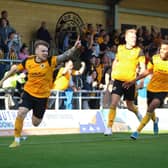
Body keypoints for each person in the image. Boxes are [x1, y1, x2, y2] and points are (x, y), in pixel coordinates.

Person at [0, 37, 81, 148]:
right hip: (28, 93)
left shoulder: (50, 61)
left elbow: (65, 56)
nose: (45, 53)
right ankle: (16, 140)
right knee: (21, 112)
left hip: (42, 97)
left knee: (35, 123)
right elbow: (15, 69)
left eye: (47, 51)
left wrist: (74, 48)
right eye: (43, 51)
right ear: (36, 51)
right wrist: (3, 80)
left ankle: (30, 122)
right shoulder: (28, 61)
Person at [104, 28, 145, 136]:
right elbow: (115, 62)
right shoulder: (120, 48)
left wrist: (141, 80)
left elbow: (143, 67)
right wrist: (112, 79)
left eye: (135, 37)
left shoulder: (138, 51)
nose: (134, 39)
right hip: (118, 81)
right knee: (113, 103)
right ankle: (109, 127)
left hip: (130, 82)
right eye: (132, 37)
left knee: (129, 105)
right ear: (126, 38)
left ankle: (137, 113)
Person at [128, 40, 168, 140]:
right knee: (150, 109)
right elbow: (147, 72)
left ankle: (137, 131)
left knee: (151, 107)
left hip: (163, 90)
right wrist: (134, 80)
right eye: (162, 49)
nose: (163, 51)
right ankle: (155, 120)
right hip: (151, 88)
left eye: (165, 49)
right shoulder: (154, 59)